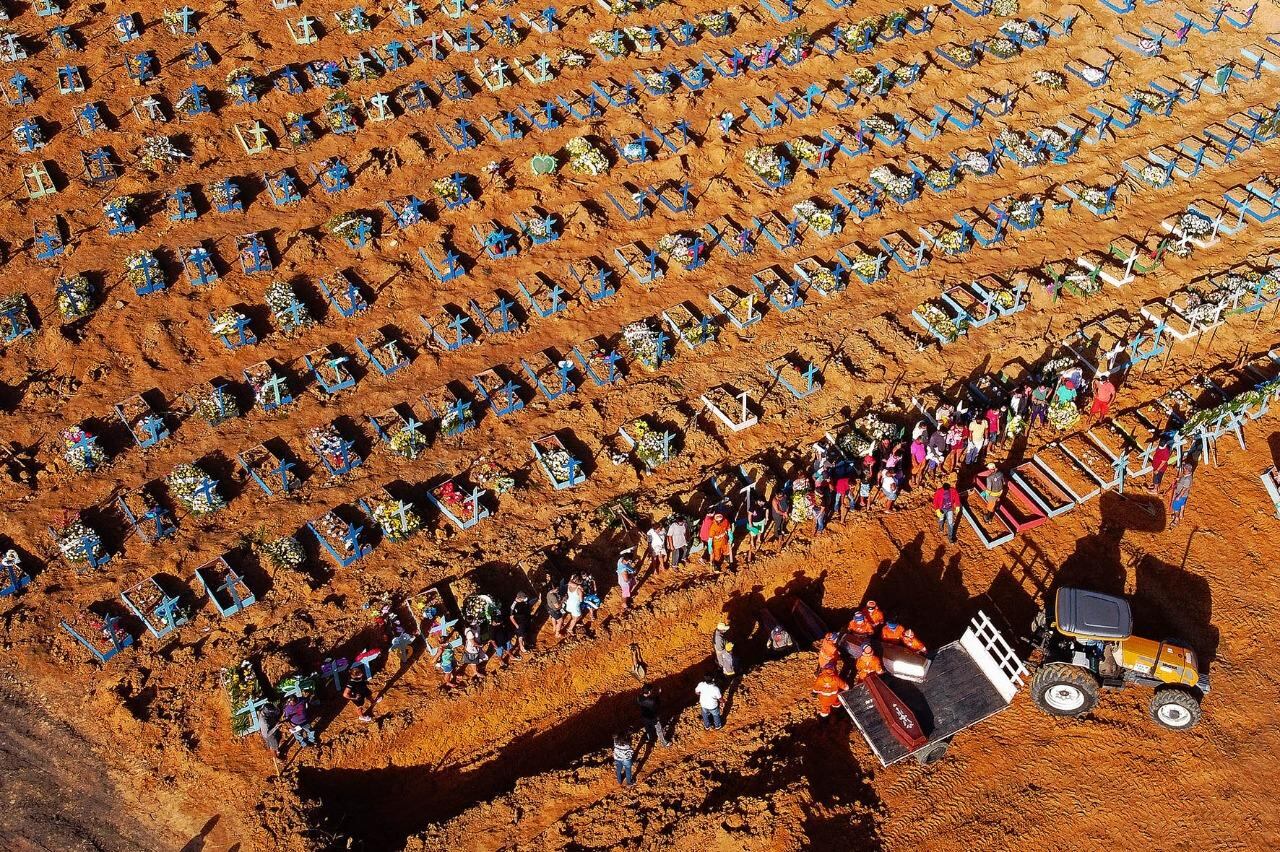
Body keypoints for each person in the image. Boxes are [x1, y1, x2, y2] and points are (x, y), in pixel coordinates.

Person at [933, 478, 961, 543]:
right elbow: (935, 501)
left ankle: (950, 538)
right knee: (941, 519)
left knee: (950, 523)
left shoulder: (953, 491)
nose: (946, 491)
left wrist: (957, 506)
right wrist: (937, 510)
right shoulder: (939, 491)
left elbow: (957, 497)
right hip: (941, 509)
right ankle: (941, 528)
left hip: (949, 509)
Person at [1168, 462, 1194, 527]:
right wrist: (1178, 479)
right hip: (1184, 496)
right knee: (1182, 504)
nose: (1183, 469)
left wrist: (1179, 496)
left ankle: (1176, 518)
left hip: (1181, 495)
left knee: (1176, 507)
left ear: (1187, 470)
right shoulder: (1187, 476)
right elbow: (1183, 481)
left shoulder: (1188, 479)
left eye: (1184, 468)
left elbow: (1184, 488)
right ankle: (1181, 514)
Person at [509, 591, 532, 658]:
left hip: (524, 620)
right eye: (523, 598)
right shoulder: (513, 605)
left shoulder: (522, 602)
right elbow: (511, 617)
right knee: (520, 635)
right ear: (519, 598)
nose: (524, 599)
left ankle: (526, 643)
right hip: (519, 623)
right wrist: (516, 625)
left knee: (524, 633)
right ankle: (522, 648)